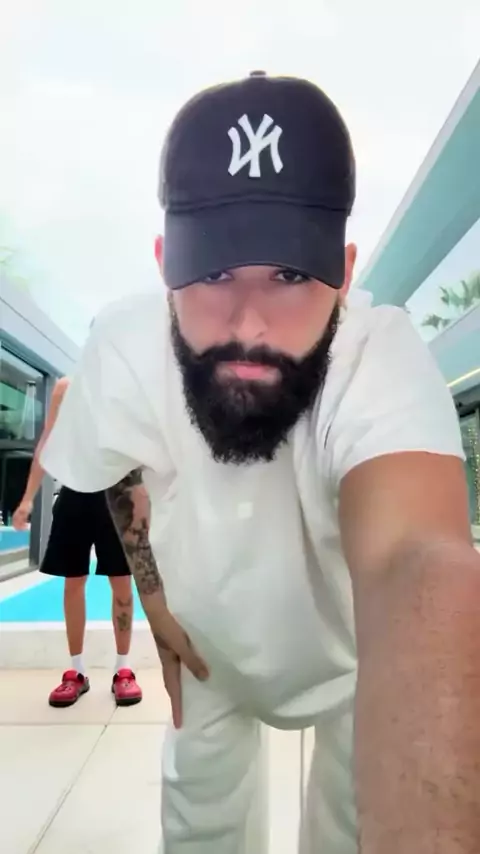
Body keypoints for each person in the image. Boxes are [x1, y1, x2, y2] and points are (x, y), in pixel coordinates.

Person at [41, 72, 480, 853]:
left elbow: (417, 554)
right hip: (206, 645)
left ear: (344, 275)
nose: (248, 322)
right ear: (163, 267)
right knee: (201, 827)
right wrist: (156, 604)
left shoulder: (378, 357)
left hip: (362, 656)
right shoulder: (124, 349)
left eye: (289, 274)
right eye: (214, 273)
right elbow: (117, 467)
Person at [13, 377, 143, 708]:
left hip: (117, 494)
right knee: (73, 582)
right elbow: (48, 443)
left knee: (121, 584)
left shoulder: (129, 384)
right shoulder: (65, 388)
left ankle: (123, 669)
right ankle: (77, 672)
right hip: (75, 493)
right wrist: (27, 498)